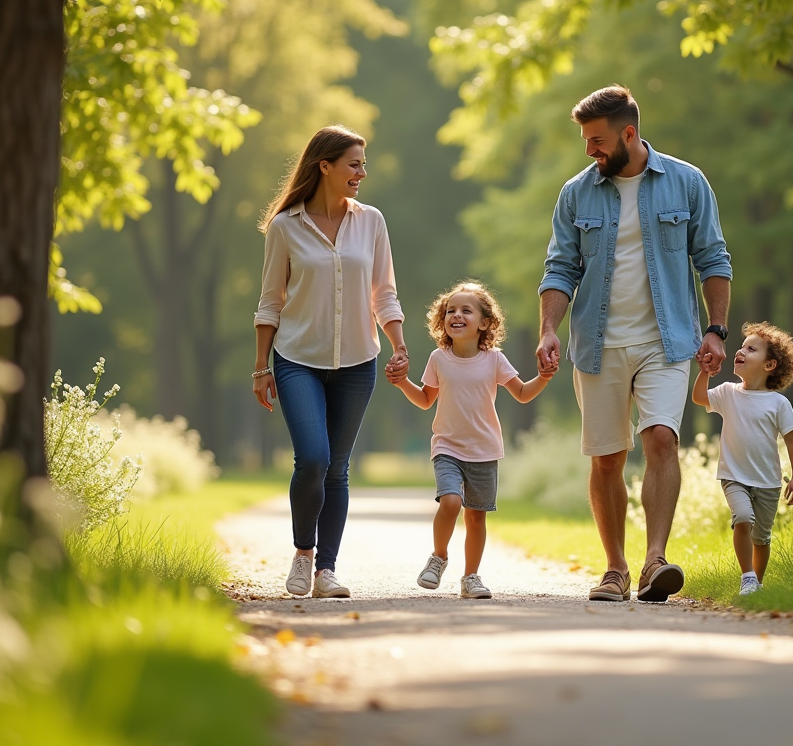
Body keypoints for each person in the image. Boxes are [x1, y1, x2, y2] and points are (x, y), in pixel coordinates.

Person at [536, 85, 733, 603]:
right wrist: (548, 329)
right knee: (607, 459)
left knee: (662, 440)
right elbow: (561, 267)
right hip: (597, 344)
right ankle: (615, 568)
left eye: (597, 140)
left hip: (666, 341)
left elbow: (713, 258)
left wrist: (716, 329)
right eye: (585, 141)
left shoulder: (687, 183)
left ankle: (654, 561)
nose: (589, 151)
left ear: (629, 134)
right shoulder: (576, 193)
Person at [252, 125, 410, 599]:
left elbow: (384, 292)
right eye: (354, 164)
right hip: (297, 357)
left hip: (358, 361)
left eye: (363, 163)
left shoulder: (372, 221)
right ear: (325, 166)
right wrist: (261, 367)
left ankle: (327, 571)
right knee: (314, 459)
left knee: (338, 467)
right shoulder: (285, 227)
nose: (363, 172)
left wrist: (399, 346)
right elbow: (269, 302)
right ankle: (304, 553)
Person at [390, 281, 551, 599]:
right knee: (450, 502)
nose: (457, 315)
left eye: (466, 310)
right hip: (447, 447)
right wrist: (401, 383)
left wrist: (544, 377)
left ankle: (471, 577)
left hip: (484, 450)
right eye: (450, 310)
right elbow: (425, 400)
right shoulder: (439, 358)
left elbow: (520, 393)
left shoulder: (494, 360)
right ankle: (439, 557)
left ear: (485, 323)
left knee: (476, 517)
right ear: (442, 320)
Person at [691, 322, 793, 596]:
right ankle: (747, 576)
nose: (741, 352)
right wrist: (704, 373)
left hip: (768, 482)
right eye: (741, 347)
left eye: (751, 349)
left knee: (761, 537)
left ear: (769, 365)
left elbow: (792, 441)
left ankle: (758, 584)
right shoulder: (728, 392)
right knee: (742, 518)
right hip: (734, 476)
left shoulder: (778, 403)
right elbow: (698, 397)